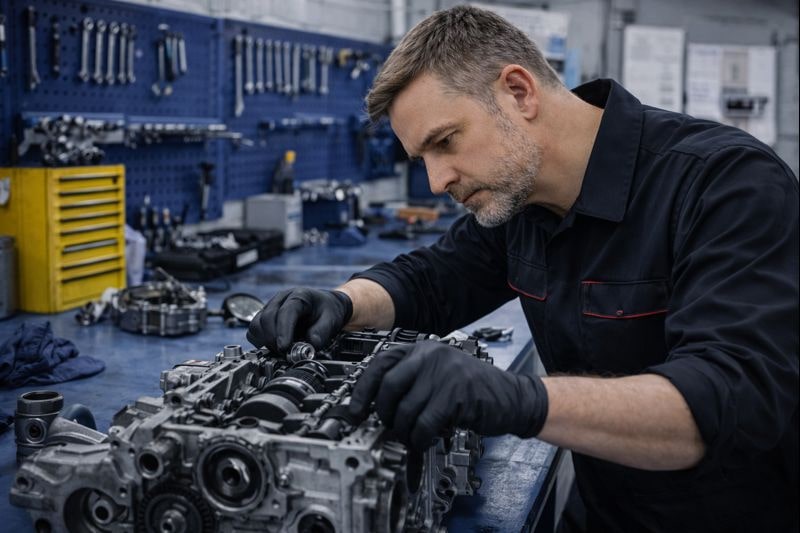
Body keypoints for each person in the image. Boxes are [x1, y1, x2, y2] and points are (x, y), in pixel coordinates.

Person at [247, 5, 798, 532]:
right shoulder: (522, 199)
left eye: (445, 142)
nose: (437, 182)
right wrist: (343, 302)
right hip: (602, 512)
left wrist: (521, 398)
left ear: (518, 91)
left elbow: (727, 400)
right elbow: (434, 279)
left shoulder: (727, 183)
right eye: (424, 160)